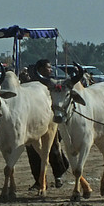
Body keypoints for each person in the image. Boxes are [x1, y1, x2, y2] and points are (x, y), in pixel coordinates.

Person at [26, 59, 69, 188]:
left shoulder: (53, 84)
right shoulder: (30, 85)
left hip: (49, 120)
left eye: (50, 68)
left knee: (54, 149)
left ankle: (58, 176)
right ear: (40, 70)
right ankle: (39, 180)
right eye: (48, 68)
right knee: (33, 154)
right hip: (33, 122)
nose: (50, 70)